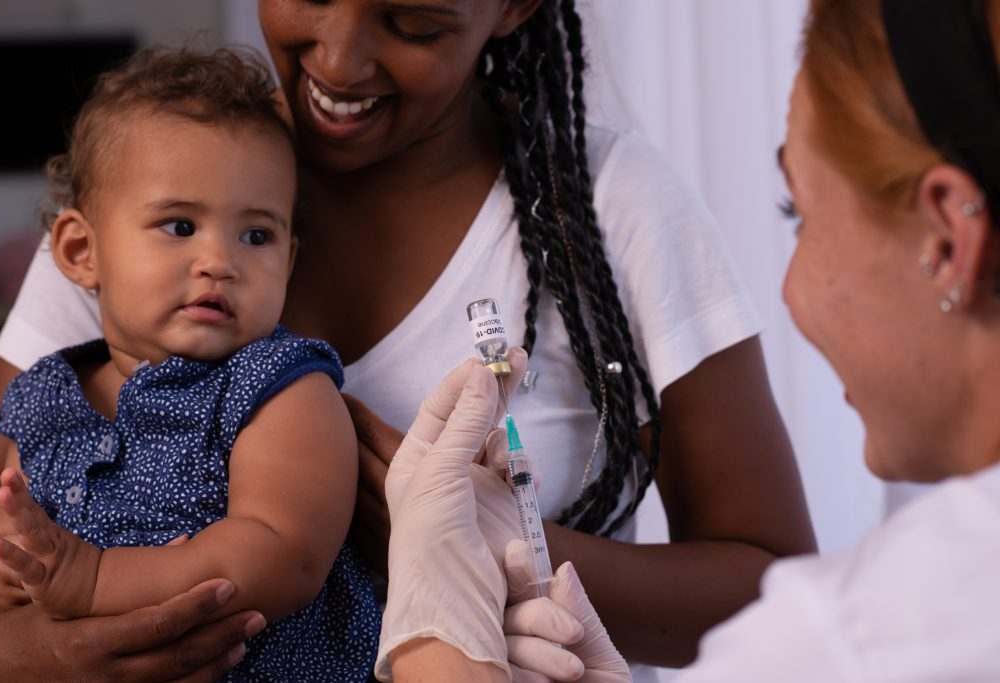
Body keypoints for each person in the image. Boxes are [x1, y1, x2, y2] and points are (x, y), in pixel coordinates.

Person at [0, 1, 815, 679]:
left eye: (413, 22)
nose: (338, 61)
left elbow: (775, 596)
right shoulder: (142, 188)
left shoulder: (611, 210)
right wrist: (16, 654)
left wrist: (477, 546)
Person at [376, 0, 1000, 680]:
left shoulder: (856, 642)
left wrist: (430, 628)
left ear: (947, 238)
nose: (788, 291)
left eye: (801, 214)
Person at [0, 46, 379, 682]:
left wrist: (96, 581)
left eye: (256, 236)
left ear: (290, 260)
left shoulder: (280, 389)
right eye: (180, 226)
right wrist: (1, 573)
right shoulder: (44, 397)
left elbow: (284, 553)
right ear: (81, 250)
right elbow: (8, 522)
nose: (220, 260)